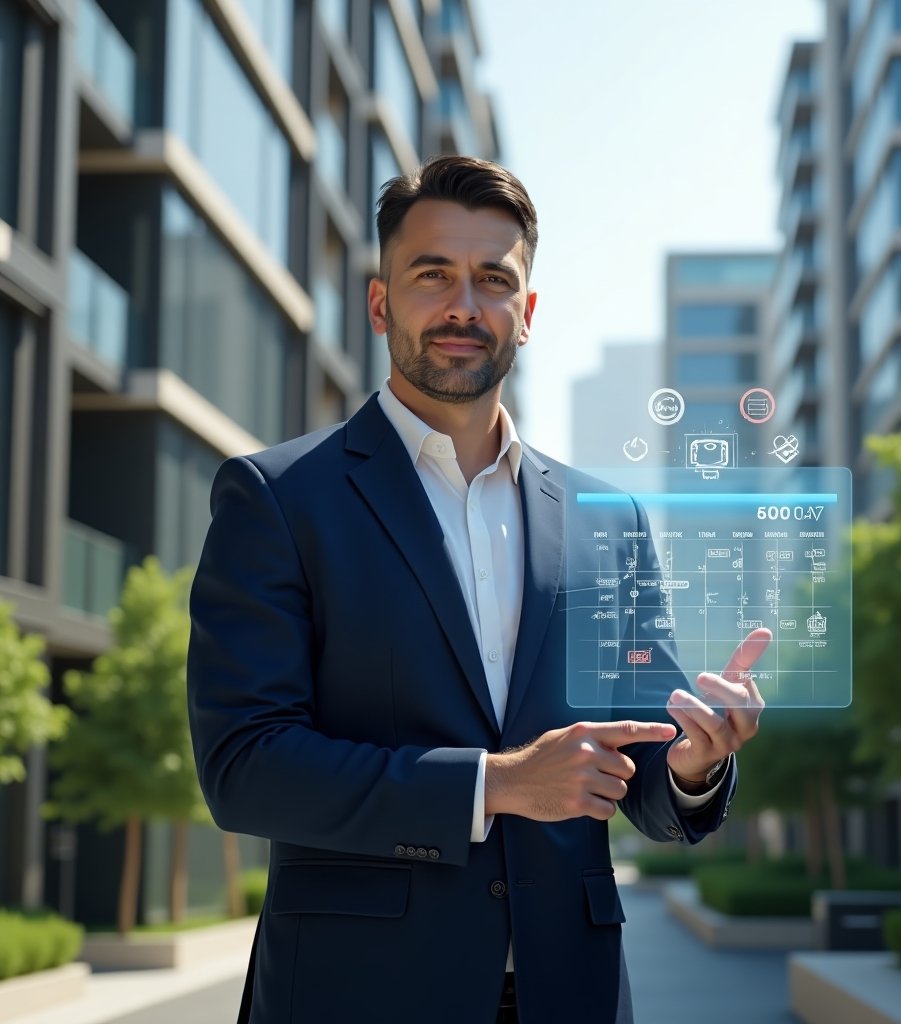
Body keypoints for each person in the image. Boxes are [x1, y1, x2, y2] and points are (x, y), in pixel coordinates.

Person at [187, 155, 771, 1024]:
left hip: (568, 995)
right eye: (434, 274)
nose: (466, 304)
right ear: (382, 302)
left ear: (526, 314)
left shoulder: (609, 520)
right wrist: (494, 785)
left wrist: (693, 760)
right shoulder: (277, 499)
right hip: (356, 997)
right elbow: (245, 768)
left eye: (494, 279)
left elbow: (642, 771)